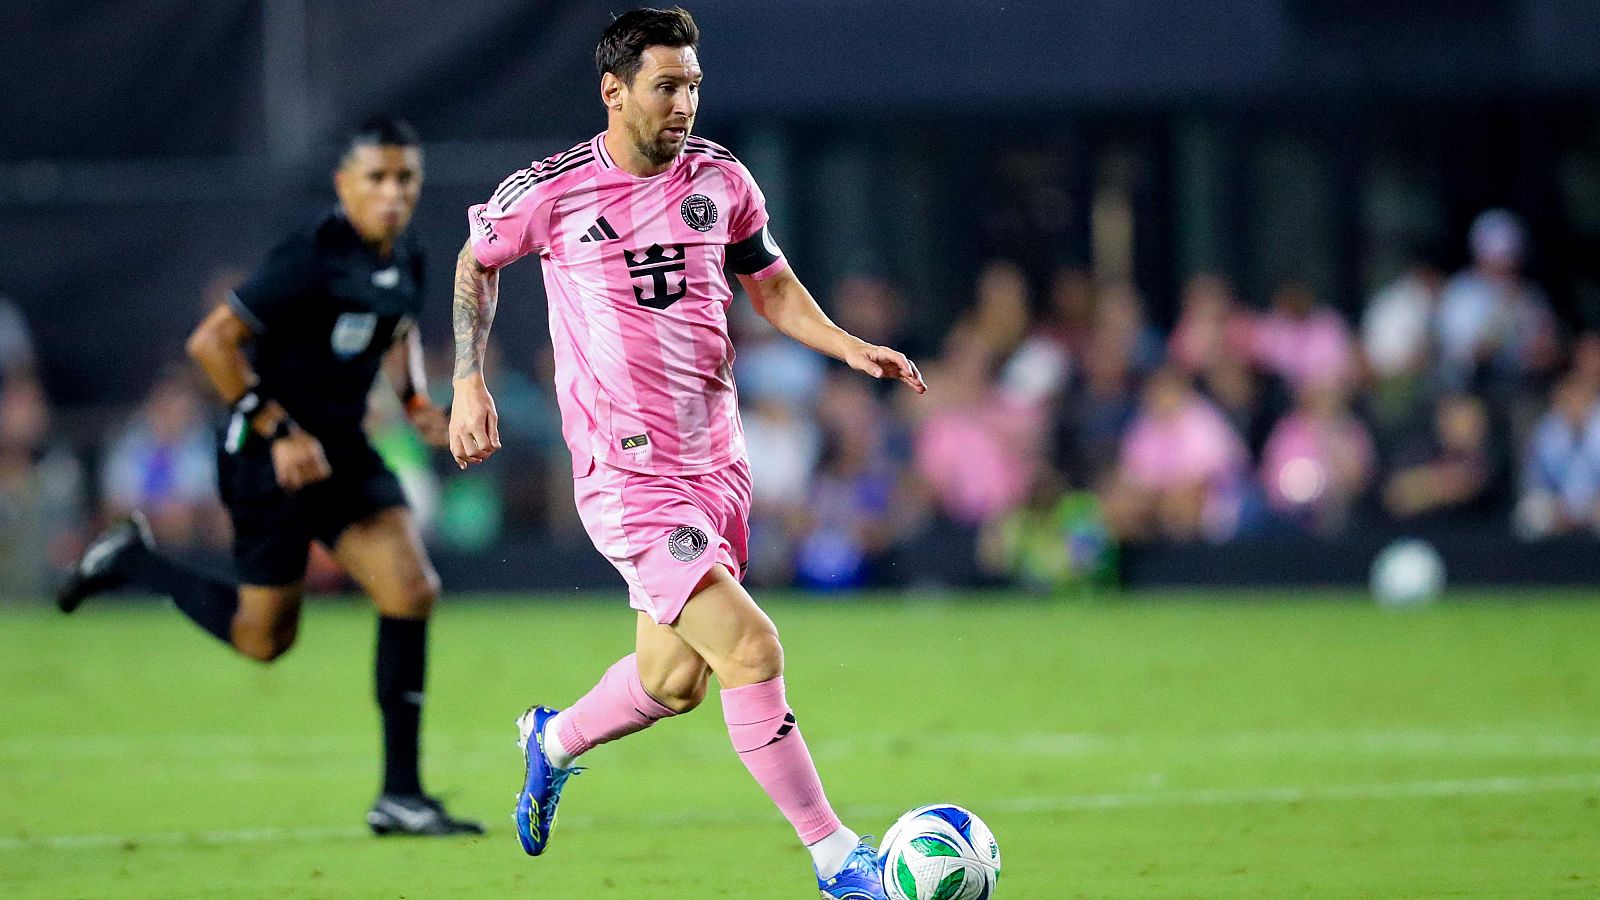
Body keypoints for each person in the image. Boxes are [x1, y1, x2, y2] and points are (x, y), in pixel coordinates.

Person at [447, 9, 924, 897]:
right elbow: (479, 264)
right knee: (751, 648)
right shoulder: (549, 192)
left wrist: (848, 345)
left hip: (718, 462)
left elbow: (771, 286)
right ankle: (836, 858)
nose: (685, 103)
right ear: (614, 91)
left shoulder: (722, 180)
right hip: (627, 475)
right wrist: (468, 380)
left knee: (674, 684)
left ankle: (549, 741)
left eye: (694, 85)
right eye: (667, 86)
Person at [54, 119, 481, 837]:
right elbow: (212, 342)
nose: (392, 192)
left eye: (405, 178)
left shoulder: (407, 253)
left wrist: (411, 401)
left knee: (411, 589)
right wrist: (277, 428)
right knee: (263, 640)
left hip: (341, 448)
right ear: (344, 184)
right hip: (265, 455)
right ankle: (131, 558)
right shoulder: (309, 258)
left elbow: (399, 330)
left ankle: (400, 796)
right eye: (375, 177)